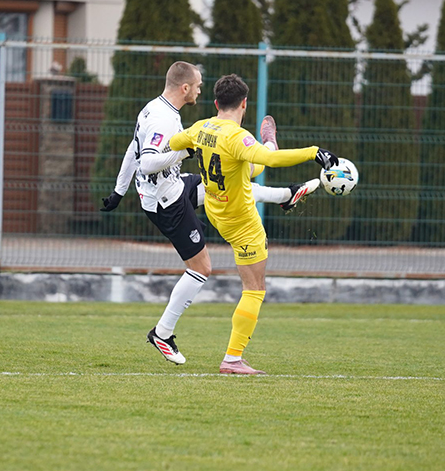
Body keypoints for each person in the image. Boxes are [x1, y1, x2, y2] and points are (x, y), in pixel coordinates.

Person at [100, 62, 318, 365]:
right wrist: (186, 151)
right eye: (198, 84)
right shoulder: (165, 120)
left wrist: (118, 191)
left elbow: (133, 149)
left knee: (224, 185)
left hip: (172, 187)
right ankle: (162, 333)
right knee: (201, 267)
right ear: (185, 88)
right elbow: (147, 162)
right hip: (166, 203)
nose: (201, 89)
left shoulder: (153, 109)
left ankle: (285, 196)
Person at [169, 73, 338, 374]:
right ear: (244, 103)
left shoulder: (202, 127)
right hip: (242, 222)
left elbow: (174, 141)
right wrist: (314, 152)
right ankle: (232, 359)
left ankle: (272, 156)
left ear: (216, 102)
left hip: (215, 210)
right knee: (255, 288)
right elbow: (270, 164)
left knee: (246, 165)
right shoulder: (236, 137)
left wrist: (198, 145)